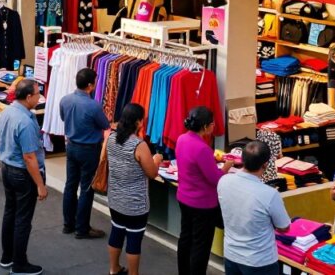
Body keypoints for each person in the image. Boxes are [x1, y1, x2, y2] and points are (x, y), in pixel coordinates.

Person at [218, 141, 291, 275]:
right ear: (265, 164)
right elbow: (284, 226)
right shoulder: (270, 194)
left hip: (231, 254)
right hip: (260, 261)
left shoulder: (224, 181)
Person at [175, 106, 233, 275]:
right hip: (203, 204)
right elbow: (215, 178)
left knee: (185, 238)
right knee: (201, 245)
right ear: (206, 126)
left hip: (184, 197)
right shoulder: (202, 149)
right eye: (212, 123)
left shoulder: (182, 139)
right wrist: (226, 167)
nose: (214, 126)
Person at [0, 79, 47, 275]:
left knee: (10, 212)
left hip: (7, 169)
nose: (39, 97)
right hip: (21, 174)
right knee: (23, 219)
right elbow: (29, 157)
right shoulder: (25, 122)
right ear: (28, 97)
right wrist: (40, 185)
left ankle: (7, 256)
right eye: (37, 94)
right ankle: (19, 264)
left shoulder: (7, 111)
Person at [107, 103, 162, 275]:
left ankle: (113, 268)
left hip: (115, 198)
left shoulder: (110, 138)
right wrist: (157, 159)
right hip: (135, 203)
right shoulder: (139, 145)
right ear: (138, 122)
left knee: (116, 231)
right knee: (134, 239)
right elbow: (152, 173)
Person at [60, 67, 110, 238]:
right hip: (88, 149)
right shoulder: (93, 105)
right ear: (90, 85)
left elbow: (63, 117)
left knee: (70, 185)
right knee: (87, 188)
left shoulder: (65, 100)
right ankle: (82, 228)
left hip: (72, 146)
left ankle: (68, 224)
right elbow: (104, 125)